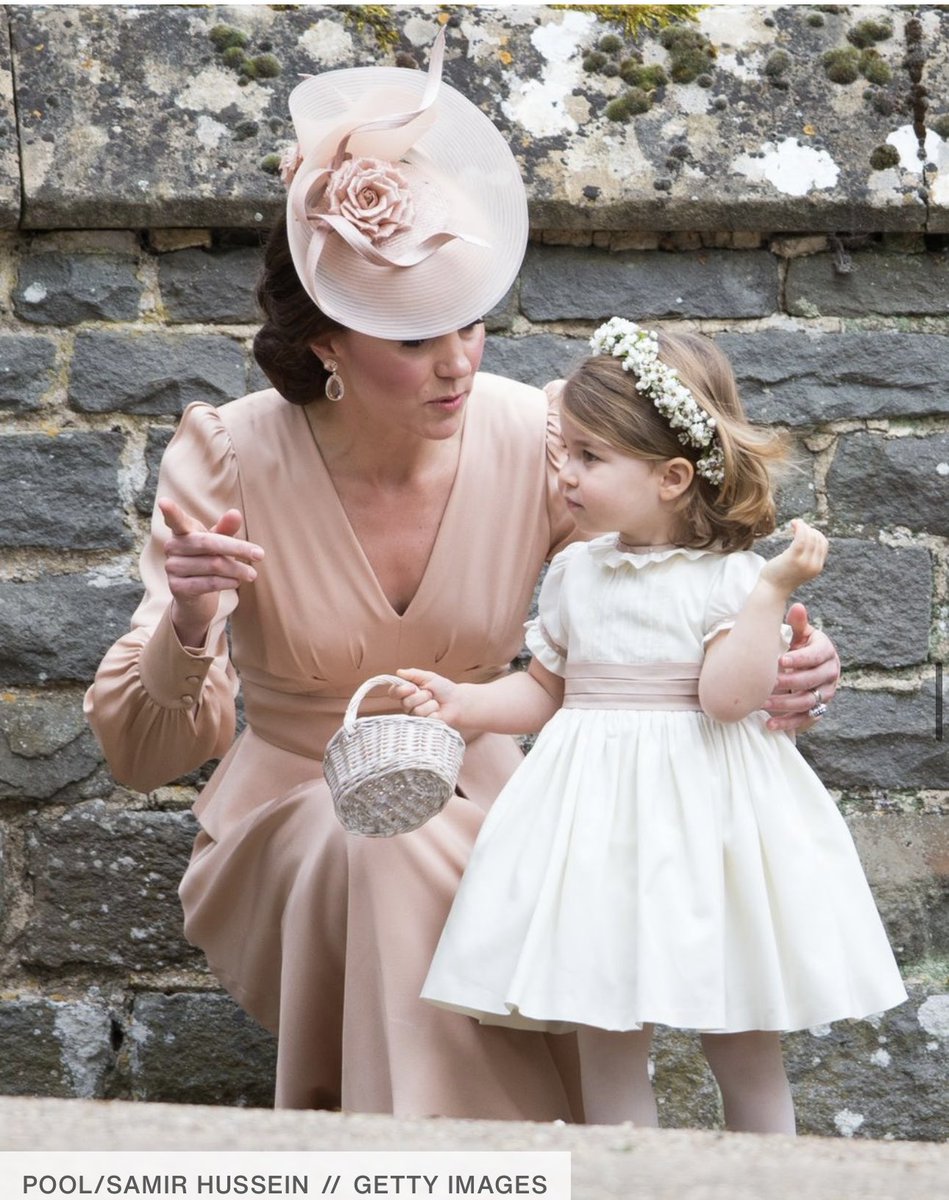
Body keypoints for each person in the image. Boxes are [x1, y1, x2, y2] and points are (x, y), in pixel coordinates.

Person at [84, 32, 843, 1119]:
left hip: (509, 804)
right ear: (329, 347)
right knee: (375, 840)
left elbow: (656, 605)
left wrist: (784, 652)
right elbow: (139, 752)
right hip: (298, 809)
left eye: (471, 323)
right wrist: (192, 624)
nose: (457, 361)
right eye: (414, 337)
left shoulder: (539, 438)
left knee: (432, 847)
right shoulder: (230, 453)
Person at [395, 319, 906, 1133]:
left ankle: (765, 1184)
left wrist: (771, 594)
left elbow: (726, 700)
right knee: (606, 1029)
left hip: (712, 829)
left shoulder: (730, 582)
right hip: (599, 834)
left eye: (590, 457)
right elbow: (546, 693)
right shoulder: (575, 573)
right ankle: (622, 1175)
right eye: (564, 451)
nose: (564, 473)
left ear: (671, 476)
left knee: (740, 1038)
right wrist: (464, 706)